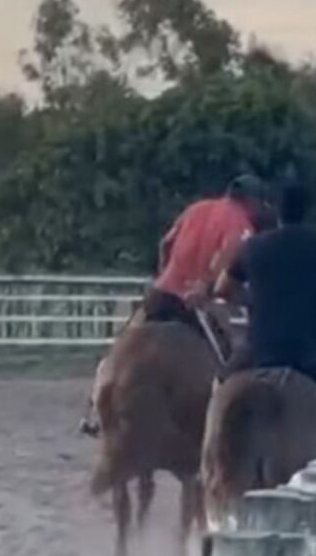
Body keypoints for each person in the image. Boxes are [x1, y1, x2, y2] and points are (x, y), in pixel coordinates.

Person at [79, 174, 273, 436]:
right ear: (250, 201)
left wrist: (165, 273)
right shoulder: (240, 223)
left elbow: (166, 243)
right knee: (230, 352)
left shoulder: (195, 209)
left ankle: (93, 409)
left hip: (162, 292)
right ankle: (228, 415)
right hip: (195, 300)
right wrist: (207, 286)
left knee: (120, 346)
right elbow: (229, 256)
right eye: (259, 203)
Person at [214, 183, 316, 427]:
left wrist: (252, 300)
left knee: (219, 387)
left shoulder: (253, 246)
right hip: (312, 355)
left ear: (275, 210)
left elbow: (221, 289)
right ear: (307, 210)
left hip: (259, 351)